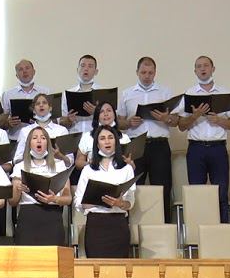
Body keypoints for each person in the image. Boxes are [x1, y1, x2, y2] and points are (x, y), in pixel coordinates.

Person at [176, 56, 230, 223]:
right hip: (196, 149)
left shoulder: (224, 93)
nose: (202, 69)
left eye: (206, 66)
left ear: (213, 69)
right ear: (195, 71)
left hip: (218, 148)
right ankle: (198, 234)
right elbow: (181, 125)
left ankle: (222, 233)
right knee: (197, 194)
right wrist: (195, 115)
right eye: (199, 66)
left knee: (221, 193)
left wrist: (219, 120)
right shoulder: (189, 94)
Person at [117, 57, 178, 223]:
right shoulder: (127, 94)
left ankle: (165, 227)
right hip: (135, 145)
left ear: (155, 73)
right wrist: (129, 122)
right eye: (143, 72)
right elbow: (119, 123)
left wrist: (166, 118)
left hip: (159, 145)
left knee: (163, 187)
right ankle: (132, 229)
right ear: (137, 72)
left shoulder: (165, 92)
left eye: (150, 73)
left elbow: (176, 121)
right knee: (133, 187)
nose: (147, 76)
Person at [74, 126, 136, 258]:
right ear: (97, 144)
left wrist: (119, 203)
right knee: (96, 267)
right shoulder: (88, 170)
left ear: (116, 142)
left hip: (118, 224)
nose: (107, 141)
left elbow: (130, 202)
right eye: (102, 138)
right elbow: (78, 202)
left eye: (110, 138)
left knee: (119, 267)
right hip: (96, 224)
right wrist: (97, 201)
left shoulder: (126, 169)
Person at [9, 126, 72, 245]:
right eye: (34, 138)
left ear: (47, 143)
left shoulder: (59, 165)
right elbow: (12, 201)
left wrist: (54, 199)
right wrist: (18, 188)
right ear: (29, 144)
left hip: (52, 216)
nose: (39, 140)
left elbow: (68, 198)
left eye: (43, 138)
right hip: (28, 216)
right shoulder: (20, 166)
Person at [0, 59, 50, 142]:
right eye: (20, 69)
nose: (24, 71)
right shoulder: (8, 94)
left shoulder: (45, 92)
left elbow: (52, 117)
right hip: (16, 139)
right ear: (16, 75)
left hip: (39, 138)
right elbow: (1, 120)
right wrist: (8, 123)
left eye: (27, 68)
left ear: (34, 72)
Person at [12, 93, 71, 167]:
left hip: (55, 169)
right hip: (31, 170)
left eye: (44, 103)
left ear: (50, 108)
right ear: (33, 110)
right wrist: (30, 155)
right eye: (37, 104)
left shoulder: (61, 131)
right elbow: (16, 159)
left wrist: (60, 156)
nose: (41, 105)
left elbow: (69, 162)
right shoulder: (25, 131)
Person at [75, 101, 132, 169]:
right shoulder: (87, 137)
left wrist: (129, 164)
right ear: (97, 116)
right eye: (102, 111)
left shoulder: (124, 138)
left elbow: (132, 166)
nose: (106, 114)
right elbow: (78, 163)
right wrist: (90, 164)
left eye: (109, 110)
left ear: (114, 114)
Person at [59, 54, 103, 133]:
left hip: (96, 136)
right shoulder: (68, 93)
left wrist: (97, 113)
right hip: (74, 136)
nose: (86, 69)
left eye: (90, 66)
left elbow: (112, 121)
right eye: (82, 66)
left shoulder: (103, 92)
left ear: (96, 71)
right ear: (77, 69)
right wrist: (68, 119)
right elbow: (61, 122)